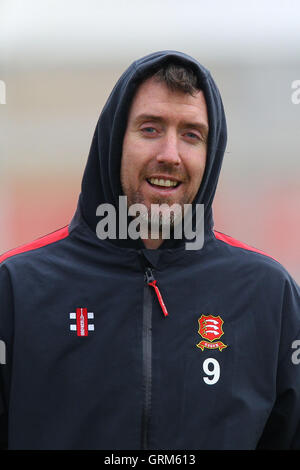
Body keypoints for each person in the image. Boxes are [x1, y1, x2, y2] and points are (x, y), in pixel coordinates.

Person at [0, 50, 300, 450]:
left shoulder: (269, 293)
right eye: (150, 129)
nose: (170, 155)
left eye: (191, 134)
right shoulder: (16, 287)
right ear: (113, 140)